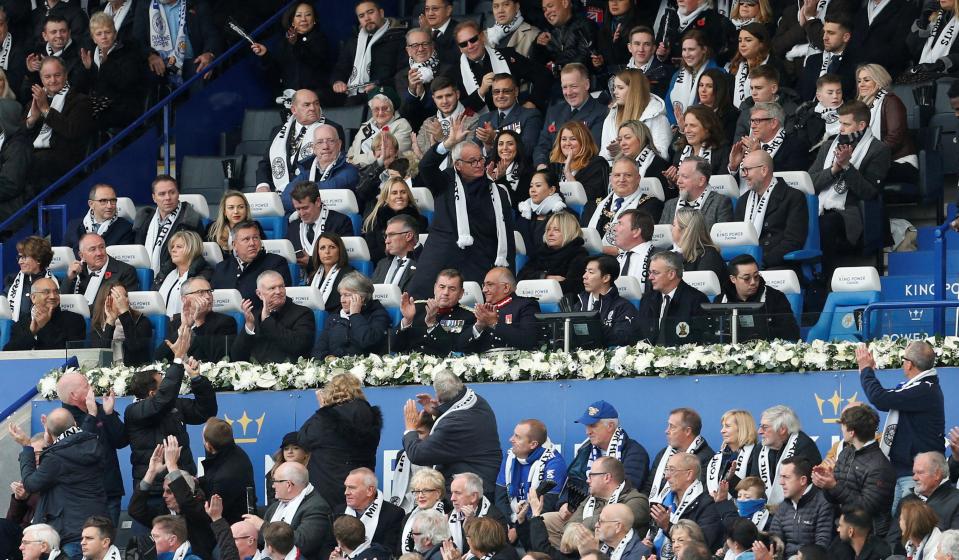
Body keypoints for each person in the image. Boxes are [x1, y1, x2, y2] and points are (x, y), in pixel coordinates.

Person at [407, 115, 515, 298]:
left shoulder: (498, 192)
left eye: (481, 159)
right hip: (441, 258)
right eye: (472, 162)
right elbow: (426, 166)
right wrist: (448, 143)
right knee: (418, 303)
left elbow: (506, 236)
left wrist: (509, 275)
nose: (479, 165)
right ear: (458, 165)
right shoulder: (445, 182)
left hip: (478, 263)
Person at [858, 323, 945, 515]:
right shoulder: (918, 388)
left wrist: (866, 370)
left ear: (909, 364)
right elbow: (885, 398)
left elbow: (880, 399)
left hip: (913, 475)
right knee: (897, 528)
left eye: (903, 359)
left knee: (905, 529)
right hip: (902, 471)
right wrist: (869, 372)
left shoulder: (924, 390)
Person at [123, 327, 218, 491]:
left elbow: (206, 412)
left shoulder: (174, 405)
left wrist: (196, 379)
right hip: (154, 489)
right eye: (164, 384)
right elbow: (160, 403)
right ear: (152, 393)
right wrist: (178, 360)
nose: (170, 388)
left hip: (183, 484)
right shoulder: (134, 411)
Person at [9, 408, 106, 560]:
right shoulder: (93, 444)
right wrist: (50, 441)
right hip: (95, 528)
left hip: (71, 533)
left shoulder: (56, 458)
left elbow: (31, 484)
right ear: (74, 423)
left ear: (47, 430)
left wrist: (27, 446)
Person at [809, 98, 890, 278]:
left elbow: (869, 192)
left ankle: (827, 280)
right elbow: (810, 182)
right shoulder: (828, 146)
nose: (841, 129)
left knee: (825, 224)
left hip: (851, 213)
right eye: (840, 123)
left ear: (861, 125)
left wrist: (847, 167)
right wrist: (833, 170)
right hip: (820, 207)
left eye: (846, 124)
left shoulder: (878, 149)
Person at [549, 402, 649, 539]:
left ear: (611, 426)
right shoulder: (586, 450)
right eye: (587, 426)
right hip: (580, 509)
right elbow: (573, 480)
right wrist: (565, 503)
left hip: (612, 512)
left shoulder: (634, 452)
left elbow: (626, 490)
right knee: (546, 522)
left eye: (593, 426)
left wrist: (588, 519)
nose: (587, 431)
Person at [402, 370, 501, 494]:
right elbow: (456, 414)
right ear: (459, 384)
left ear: (437, 396)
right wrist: (439, 410)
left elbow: (418, 454)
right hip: (476, 483)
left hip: (469, 495)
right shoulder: (477, 401)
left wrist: (410, 428)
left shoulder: (454, 424)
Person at [297, 373, 383, 511]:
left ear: (331, 392)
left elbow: (303, 439)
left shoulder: (326, 417)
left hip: (328, 488)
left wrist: (322, 411)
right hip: (361, 488)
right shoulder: (370, 415)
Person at [811, 404, 895, 538]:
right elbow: (832, 498)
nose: (841, 429)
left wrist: (833, 485)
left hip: (870, 538)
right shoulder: (846, 452)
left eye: (843, 426)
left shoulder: (879, 466)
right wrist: (825, 482)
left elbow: (866, 508)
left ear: (852, 432)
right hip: (845, 532)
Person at [54, 372, 127, 526]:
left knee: (108, 542)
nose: (91, 388)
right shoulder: (62, 420)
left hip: (110, 491)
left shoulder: (99, 407)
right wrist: (92, 416)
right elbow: (81, 449)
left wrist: (109, 414)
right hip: (83, 497)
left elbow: (121, 441)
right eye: (86, 385)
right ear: (74, 395)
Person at [128, 439, 216, 560]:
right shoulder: (163, 512)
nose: (164, 495)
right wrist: (151, 472)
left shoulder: (201, 510)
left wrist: (171, 465)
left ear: (185, 491)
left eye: (170, 491)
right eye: (164, 491)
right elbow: (135, 510)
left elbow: (185, 503)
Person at [24, 56, 95, 189]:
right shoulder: (34, 102)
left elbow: (71, 131)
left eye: (57, 75)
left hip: (65, 156)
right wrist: (32, 120)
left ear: (66, 75)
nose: (52, 80)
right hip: (36, 155)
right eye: (47, 76)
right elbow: (20, 135)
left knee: (34, 162)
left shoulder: (80, 101)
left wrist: (46, 109)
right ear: (41, 78)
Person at [495, 419, 568, 546]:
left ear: (533, 444)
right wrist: (512, 525)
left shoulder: (554, 463)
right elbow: (500, 499)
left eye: (517, 437)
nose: (511, 439)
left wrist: (518, 528)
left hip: (537, 529)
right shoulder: (509, 458)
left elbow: (545, 506)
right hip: (511, 524)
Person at [254, 90, 343, 194]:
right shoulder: (277, 131)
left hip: (312, 193)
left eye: (316, 103)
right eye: (307, 105)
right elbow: (265, 163)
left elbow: (335, 166)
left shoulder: (332, 129)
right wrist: (262, 185)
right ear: (293, 109)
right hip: (278, 193)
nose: (313, 108)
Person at [452, 21, 550, 114]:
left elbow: (543, 74)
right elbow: (458, 109)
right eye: (463, 44)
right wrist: (481, 92)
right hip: (480, 127)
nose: (470, 46)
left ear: (482, 37)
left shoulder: (507, 56)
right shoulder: (455, 73)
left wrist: (532, 102)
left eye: (473, 40)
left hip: (516, 119)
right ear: (460, 48)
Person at [734, 150, 809, 270]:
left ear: (764, 170)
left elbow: (793, 241)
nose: (743, 175)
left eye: (747, 170)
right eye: (743, 170)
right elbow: (737, 239)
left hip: (776, 264)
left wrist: (762, 262)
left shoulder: (793, 197)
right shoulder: (743, 201)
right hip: (746, 266)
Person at [245, 461, 334, 560]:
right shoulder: (275, 507)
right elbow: (264, 543)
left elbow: (302, 544)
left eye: (275, 481)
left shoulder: (317, 508)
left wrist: (263, 527)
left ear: (288, 485)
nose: (273, 485)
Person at [249, 4, 333, 102]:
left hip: (315, 97)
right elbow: (275, 75)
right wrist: (265, 55)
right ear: (292, 21)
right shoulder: (283, 43)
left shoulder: (320, 39)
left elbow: (315, 61)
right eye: (298, 15)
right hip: (289, 97)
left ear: (314, 19)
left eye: (308, 15)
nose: (303, 19)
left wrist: (295, 43)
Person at [648, 452, 724, 557]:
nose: (666, 476)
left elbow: (701, 546)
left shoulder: (708, 505)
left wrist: (667, 527)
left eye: (672, 470)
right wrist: (647, 547)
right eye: (666, 470)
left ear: (689, 474)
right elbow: (654, 538)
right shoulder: (665, 500)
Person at [231, 270, 315, 363]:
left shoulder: (303, 313)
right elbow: (237, 356)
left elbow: (298, 347)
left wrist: (266, 320)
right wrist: (249, 326)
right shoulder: (254, 315)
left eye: (281, 286)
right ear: (259, 294)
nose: (278, 291)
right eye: (272, 288)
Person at [132, 0, 223, 87]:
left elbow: (211, 34)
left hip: (190, 61)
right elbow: (137, 39)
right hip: (159, 63)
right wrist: (150, 55)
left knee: (200, 71)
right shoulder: (144, 4)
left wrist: (209, 53)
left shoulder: (196, 3)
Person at [331, 0, 406, 104]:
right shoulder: (353, 41)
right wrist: (338, 81)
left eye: (370, 12)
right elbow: (341, 68)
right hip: (353, 93)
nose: (367, 18)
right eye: (361, 16)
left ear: (381, 13)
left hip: (385, 92)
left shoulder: (399, 38)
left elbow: (403, 73)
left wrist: (379, 84)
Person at [533, 64, 607, 167]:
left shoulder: (601, 112)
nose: (568, 92)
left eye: (573, 86)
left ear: (586, 84)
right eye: (564, 87)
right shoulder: (554, 111)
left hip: (582, 172)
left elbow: (591, 150)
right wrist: (542, 165)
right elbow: (542, 146)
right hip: (552, 172)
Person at [78, 13, 142, 130]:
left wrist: (107, 63)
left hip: (120, 106)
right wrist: (88, 69)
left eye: (107, 32)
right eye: (99, 34)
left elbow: (126, 84)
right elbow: (83, 86)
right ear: (93, 38)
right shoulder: (90, 55)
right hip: (97, 104)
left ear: (115, 34)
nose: (104, 37)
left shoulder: (128, 51)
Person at [856, 64, 918, 184]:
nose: (861, 84)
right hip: (878, 162)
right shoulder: (863, 107)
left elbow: (894, 138)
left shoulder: (891, 101)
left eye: (866, 80)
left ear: (879, 81)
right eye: (859, 81)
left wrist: (868, 156)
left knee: (858, 170)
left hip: (901, 163)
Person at [750, 405, 823, 506]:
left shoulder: (804, 446)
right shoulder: (760, 448)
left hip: (798, 509)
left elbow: (808, 487)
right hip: (765, 511)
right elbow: (754, 484)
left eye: (765, 427)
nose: (759, 431)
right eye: (760, 426)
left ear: (782, 429)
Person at [717, 254, 800, 341]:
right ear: (733, 279)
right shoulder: (721, 300)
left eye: (756, 276)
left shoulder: (775, 298)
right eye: (746, 278)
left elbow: (791, 333)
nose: (753, 282)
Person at [585, 157, 663, 249]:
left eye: (628, 175)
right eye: (617, 175)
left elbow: (643, 242)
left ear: (638, 178)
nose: (622, 180)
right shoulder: (593, 205)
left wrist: (610, 251)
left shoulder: (651, 204)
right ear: (611, 179)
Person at [133, 175, 205, 273]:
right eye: (162, 194)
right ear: (154, 198)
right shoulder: (145, 219)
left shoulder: (190, 221)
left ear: (178, 194)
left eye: (172, 192)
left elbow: (189, 257)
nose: (168, 198)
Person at [155, 276, 237, 363]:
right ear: (184, 299)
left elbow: (218, 359)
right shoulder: (176, 323)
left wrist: (200, 322)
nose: (208, 296)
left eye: (209, 291)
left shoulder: (225, 322)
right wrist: (184, 327)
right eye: (201, 292)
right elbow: (159, 358)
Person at [460, 266, 540, 352]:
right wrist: (479, 326)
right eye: (484, 285)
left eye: (489, 285)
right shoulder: (482, 311)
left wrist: (494, 323)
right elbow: (460, 346)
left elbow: (528, 341)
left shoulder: (526, 305)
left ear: (506, 287)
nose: (484, 290)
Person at [312, 272, 391, 360]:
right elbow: (318, 351)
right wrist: (328, 358)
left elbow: (367, 341)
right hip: (336, 369)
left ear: (362, 297)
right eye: (341, 295)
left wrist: (355, 315)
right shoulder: (334, 318)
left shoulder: (378, 314)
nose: (342, 300)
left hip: (363, 368)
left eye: (347, 295)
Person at [636, 251, 708, 346]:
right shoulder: (647, 299)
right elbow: (641, 334)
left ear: (671, 274)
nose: (650, 277)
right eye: (649, 272)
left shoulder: (696, 299)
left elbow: (699, 339)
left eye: (655, 273)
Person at [210, 221, 292, 304]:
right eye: (246, 239)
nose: (252, 243)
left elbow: (279, 299)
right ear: (234, 245)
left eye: (255, 238)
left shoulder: (275, 263)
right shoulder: (221, 268)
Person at [766, 457, 834, 557]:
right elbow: (774, 542)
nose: (781, 482)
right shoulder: (783, 506)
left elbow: (821, 546)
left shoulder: (823, 503)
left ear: (803, 480)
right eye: (781, 477)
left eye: (786, 477)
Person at [645, 408, 715, 504]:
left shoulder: (707, 459)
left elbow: (700, 498)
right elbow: (648, 488)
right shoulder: (664, 454)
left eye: (672, 427)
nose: (666, 431)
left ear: (687, 431)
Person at [286, 182, 355, 278]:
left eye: (305, 208)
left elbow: (341, 258)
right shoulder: (293, 226)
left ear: (318, 202)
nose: (301, 213)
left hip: (333, 278)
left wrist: (310, 262)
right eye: (298, 209)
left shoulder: (340, 222)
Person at [601, 69, 672, 162]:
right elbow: (602, 155)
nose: (615, 92)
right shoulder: (611, 117)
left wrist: (627, 149)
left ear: (635, 90)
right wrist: (611, 152)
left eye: (620, 88)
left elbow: (662, 155)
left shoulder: (658, 118)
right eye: (614, 88)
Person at [570, 255, 641, 346]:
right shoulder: (579, 305)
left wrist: (595, 326)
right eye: (585, 271)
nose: (584, 276)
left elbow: (623, 340)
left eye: (591, 272)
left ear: (606, 278)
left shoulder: (624, 307)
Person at [286, 125, 360, 212]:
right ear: (314, 148)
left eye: (331, 141)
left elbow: (330, 189)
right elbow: (286, 198)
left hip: (337, 223)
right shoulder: (306, 170)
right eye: (320, 142)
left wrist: (301, 200)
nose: (325, 147)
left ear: (339, 145)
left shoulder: (350, 171)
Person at [199, 418, 256, 525]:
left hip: (234, 530)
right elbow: (212, 476)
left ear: (208, 446)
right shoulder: (234, 451)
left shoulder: (224, 477)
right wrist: (199, 481)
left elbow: (208, 515)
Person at [4, 277, 86, 351]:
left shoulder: (74, 319)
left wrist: (46, 325)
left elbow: (70, 352)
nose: (53, 296)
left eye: (56, 292)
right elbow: (9, 353)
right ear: (33, 298)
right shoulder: (21, 323)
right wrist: (31, 333)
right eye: (46, 292)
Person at [517, 211, 589, 296]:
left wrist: (537, 281)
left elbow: (571, 287)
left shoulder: (579, 255)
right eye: (548, 229)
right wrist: (545, 277)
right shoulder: (541, 252)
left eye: (556, 230)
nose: (550, 234)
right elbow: (521, 277)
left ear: (569, 232)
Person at [728, 102, 810, 174]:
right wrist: (733, 167)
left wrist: (760, 156)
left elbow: (789, 179)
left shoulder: (795, 146)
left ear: (773, 123)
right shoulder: (748, 147)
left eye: (757, 121)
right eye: (751, 121)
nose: (752, 126)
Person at [337, 468, 405, 553]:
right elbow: (327, 545)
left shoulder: (394, 514)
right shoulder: (339, 511)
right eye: (346, 487)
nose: (346, 492)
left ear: (369, 490)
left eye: (352, 488)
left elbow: (389, 551)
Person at [474, 74, 544, 157]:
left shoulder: (531, 115)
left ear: (516, 92)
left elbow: (527, 150)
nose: (500, 96)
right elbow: (474, 153)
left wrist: (495, 138)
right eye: (496, 92)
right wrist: (487, 146)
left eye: (506, 91)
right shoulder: (484, 118)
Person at [411, 76, 481, 157]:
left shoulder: (473, 119)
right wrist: (420, 156)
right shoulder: (428, 122)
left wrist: (441, 138)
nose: (444, 101)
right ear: (433, 99)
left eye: (448, 95)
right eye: (439, 97)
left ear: (457, 94)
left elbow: (465, 158)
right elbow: (421, 160)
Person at [363, 177, 428, 263]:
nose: (399, 196)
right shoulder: (373, 222)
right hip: (384, 266)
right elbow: (372, 253)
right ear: (386, 197)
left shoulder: (421, 221)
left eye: (403, 192)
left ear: (408, 196)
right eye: (394, 193)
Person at [88, 280, 154, 365]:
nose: (125, 300)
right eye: (118, 297)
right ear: (106, 301)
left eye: (126, 296)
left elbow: (134, 347)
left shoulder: (142, 321)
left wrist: (124, 313)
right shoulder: (97, 327)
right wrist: (110, 321)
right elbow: (101, 358)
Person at [660, 157, 733, 232]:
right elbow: (662, 240)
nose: (678, 181)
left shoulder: (720, 203)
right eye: (678, 176)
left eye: (685, 177)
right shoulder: (670, 205)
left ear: (701, 181)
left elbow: (721, 240)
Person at [65, 232, 138, 307]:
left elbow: (124, 306)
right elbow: (62, 302)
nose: (99, 253)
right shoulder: (78, 271)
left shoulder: (125, 271)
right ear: (82, 255)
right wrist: (69, 278)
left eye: (102, 247)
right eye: (92, 249)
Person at [529, 0, 598, 78]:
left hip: (583, 83)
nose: (547, 12)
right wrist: (538, 45)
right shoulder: (547, 33)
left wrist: (558, 66)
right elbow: (534, 65)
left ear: (565, 3)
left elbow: (585, 58)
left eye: (550, 6)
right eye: (544, 10)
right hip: (557, 84)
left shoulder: (585, 26)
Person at [732, 66, 801, 143]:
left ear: (773, 89)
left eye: (758, 88)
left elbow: (789, 147)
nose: (753, 93)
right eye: (752, 88)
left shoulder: (791, 112)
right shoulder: (746, 111)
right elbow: (737, 146)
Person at [548, 121, 611, 205]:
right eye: (563, 139)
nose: (567, 143)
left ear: (584, 142)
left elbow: (585, 200)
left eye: (573, 139)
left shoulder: (597, 164)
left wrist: (567, 172)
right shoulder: (555, 166)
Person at [153, 230, 213, 317]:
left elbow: (198, 309)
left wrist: (173, 321)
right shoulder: (165, 273)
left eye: (179, 247)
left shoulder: (203, 275)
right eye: (172, 247)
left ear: (192, 249)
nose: (173, 250)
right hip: (163, 325)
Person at [664, 31, 719, 126]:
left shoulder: (718, 74)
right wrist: (675, 124)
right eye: (684, 50)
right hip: (677, 130)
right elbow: (668, 105)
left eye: (691, 49)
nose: (687, 54)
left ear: (704, 49)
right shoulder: (677, 75)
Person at [349, 88, 413, 167]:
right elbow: (350, 155)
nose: (380, 113)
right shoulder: (366, 126)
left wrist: (356, 160)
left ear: (393, 109)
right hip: (357, 171)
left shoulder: (402, 125)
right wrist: (353, 160)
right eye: (376, 109)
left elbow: (388, 155)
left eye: (385, 108)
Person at [705, 410, 758, 503]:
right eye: (722, 426)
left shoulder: (755, 455)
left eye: (727, 426)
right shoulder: (718, 457)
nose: (722, 431)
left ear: (742, 428)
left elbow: (755, 492)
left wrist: (732, 479)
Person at [799, 16, 857, 101]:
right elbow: (801, 93)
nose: (824, 37)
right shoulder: (812, 60)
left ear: (846, 37)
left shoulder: (855, 65)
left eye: (831, 33)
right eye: (824, 32)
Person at [446, 472, 508, 551]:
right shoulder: (450, 516)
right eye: (452, 493)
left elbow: (488, 552)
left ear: (473, 497)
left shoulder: (494, 519)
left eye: (458, 493)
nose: (452, 498)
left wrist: (471, 525)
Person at [654, 0, 732, 62]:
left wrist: (691, 61)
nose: (680, 0)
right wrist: (661, 54)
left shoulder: (716, 21)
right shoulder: (668, 17)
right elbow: (656, 47)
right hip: (667, 75)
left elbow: (720, 57)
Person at [63, 184, 134, 252]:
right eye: (103, 201)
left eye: (113, 200)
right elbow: (65, 257)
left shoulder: (125, 228)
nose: (109, 206)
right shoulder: (73, 226)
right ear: (91, 204)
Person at [515, 169, 567, 258]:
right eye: (531, 186)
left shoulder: (565, 216)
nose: (532, 190)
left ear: (551, 190)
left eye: (538, 185)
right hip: (529, 267)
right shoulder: (525, 215)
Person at [727, 23, 780, 109]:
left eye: (748, 40)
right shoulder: (736, 66)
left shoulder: (773, 66)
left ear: (761, 43)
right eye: (740, 40)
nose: (742, 44)